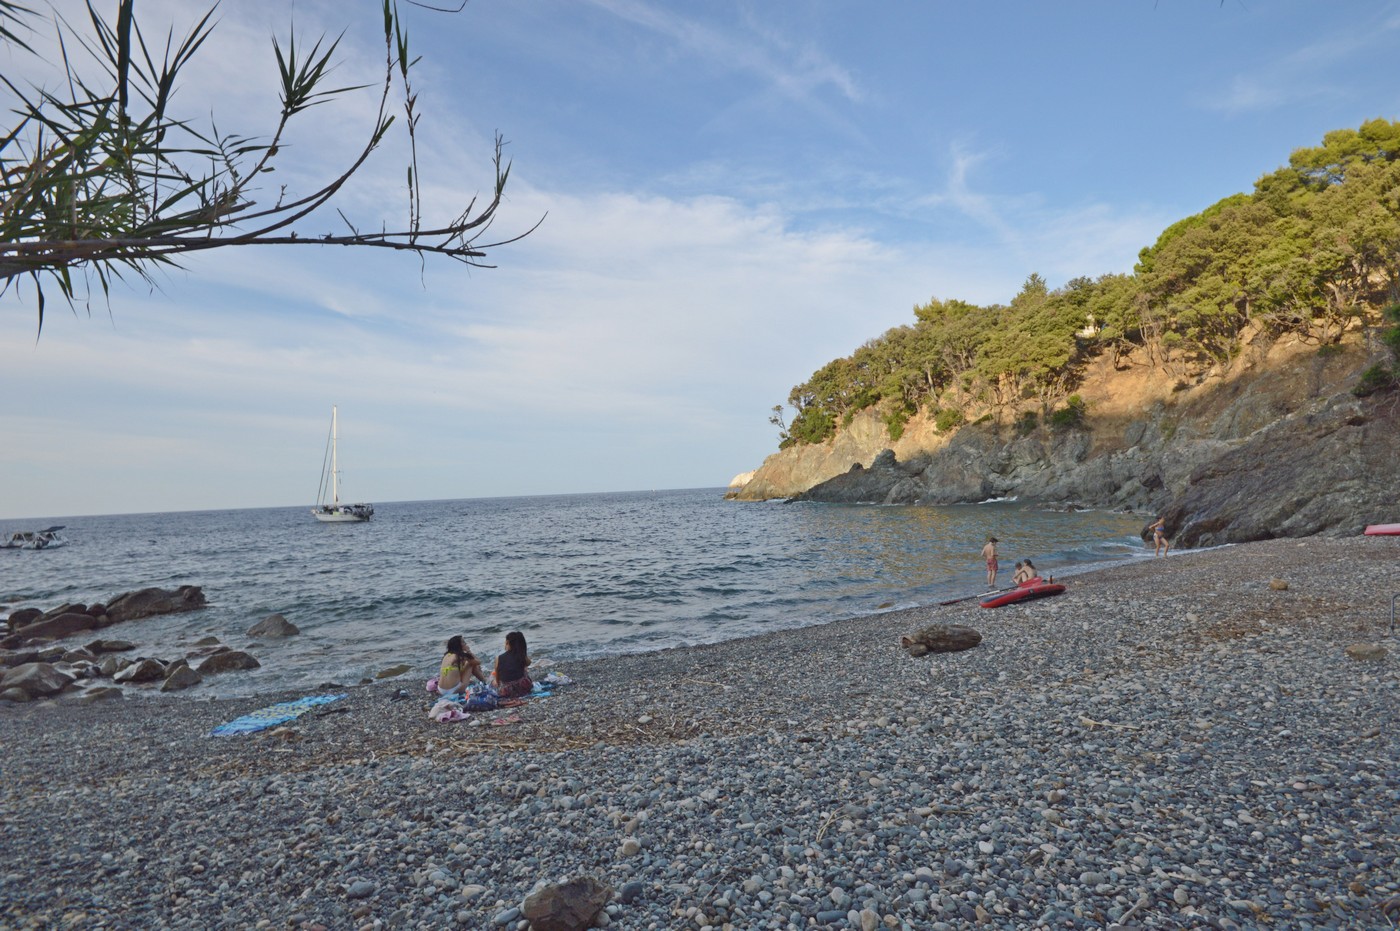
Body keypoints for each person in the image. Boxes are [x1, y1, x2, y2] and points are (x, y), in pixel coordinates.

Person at [492, 630, 533, 698]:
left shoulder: (498, 658)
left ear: (507, 642)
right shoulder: (521, 655)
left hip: (507, 691)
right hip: (524, 687)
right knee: (524, 668)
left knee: (493, 679)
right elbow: (529, 663)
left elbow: (498, 680)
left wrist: (496, 682)